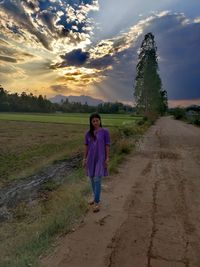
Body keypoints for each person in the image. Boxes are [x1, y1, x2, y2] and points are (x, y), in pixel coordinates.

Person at [83, 113, 110, 212]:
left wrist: (107, 158)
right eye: (93, 121)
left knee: (97, 179)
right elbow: (86, 146)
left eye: (97, 120)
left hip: (100, 158)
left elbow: (107, 145)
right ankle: (95, 197)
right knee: (92, 178)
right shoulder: (88, 133)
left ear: (100, 121)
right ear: (91, 122)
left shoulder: (105, 132)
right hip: (90, 159)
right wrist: (84, 159)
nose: (95, 123)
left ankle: (97, 202)